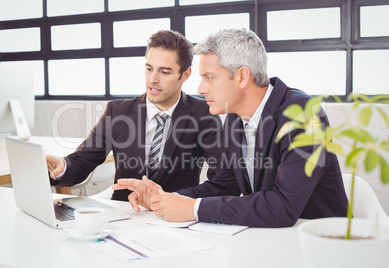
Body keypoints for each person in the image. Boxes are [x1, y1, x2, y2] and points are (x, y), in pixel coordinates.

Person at [113, 28, 348, 227]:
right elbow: (225, 185)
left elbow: (283, 207)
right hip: (273, 239)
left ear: (242, 77)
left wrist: (194, 209)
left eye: (209, 77)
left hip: (320, 239)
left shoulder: (303, 115)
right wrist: (165, 198)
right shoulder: (236, 117)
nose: (201, 88)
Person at [46, 30, 224, 201]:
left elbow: (220, 181)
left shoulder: (204, 114)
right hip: (124, 214)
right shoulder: (117, 112)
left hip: (174, 218)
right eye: (149, 68)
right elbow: (83, 161)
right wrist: (63, 168)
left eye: (164, 72)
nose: (153, 79)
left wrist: (172, 200)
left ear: (185, 75)